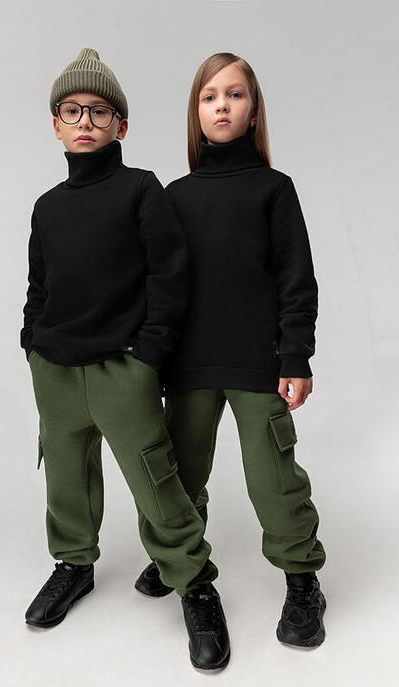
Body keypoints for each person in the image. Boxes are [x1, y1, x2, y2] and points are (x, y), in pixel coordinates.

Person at [20, 48, 230, 671]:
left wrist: (149, 354)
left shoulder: (141, 188)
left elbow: (170, 275)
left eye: (99, 111)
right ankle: (73, 564)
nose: (85, 120)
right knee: (66, 474)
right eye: (72, 110)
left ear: (121, 125)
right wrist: (31, 340)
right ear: (56, 124)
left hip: (122, 365)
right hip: (56, 367)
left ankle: (193, 582)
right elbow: (39, 283)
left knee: (154, 477)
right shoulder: (47, 205)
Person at [134, 52, 327, 648]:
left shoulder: (274, 189)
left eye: (235, 94)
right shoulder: (174, 195)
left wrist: (296, 356)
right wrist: (154, 358)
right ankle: (177, 557)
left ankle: (303, 582)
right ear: (196, 113)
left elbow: (297, 279)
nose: (222, 105)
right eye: (209, 96)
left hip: (257, 364)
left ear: (253, 110)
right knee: (178, 475)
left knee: (274, 479)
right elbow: (160, 284)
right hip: (188, 365)